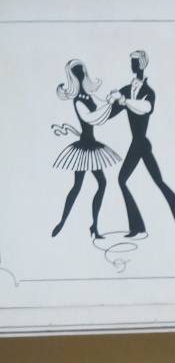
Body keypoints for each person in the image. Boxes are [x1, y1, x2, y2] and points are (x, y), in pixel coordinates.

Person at [106, 50, 175, 237]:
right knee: (147, 181)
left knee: (129, 180)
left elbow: (146, 108)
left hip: (140, 144)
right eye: (131, 61)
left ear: (143, 64)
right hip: (139, 144)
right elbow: (110, 113)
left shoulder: (148, 92)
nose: (132, 65)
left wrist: (123, 100)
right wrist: (108, 102)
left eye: (135, 61)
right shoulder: (126, 90)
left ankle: (146, 226)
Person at [51, 60, 122, 239]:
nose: (81, 73)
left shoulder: (89, 96)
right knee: (77, 186)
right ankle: (62, 221)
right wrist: (110, 104)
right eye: (77, 71)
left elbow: (103, 111)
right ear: (73, 77)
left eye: (82, 70)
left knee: (101, 183)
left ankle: (94, 226)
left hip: (91, 144)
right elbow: (91, 117)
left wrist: (114, 102)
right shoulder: (78, 100)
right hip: (84, 148)